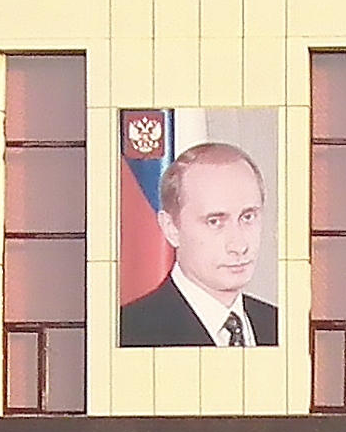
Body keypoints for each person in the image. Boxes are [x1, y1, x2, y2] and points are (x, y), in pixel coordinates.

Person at [117, 142, 281, 347]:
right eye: (215, 222)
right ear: (171, 228)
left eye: (248, 217)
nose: (239, 246)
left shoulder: (282, 327)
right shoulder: (127, 334)